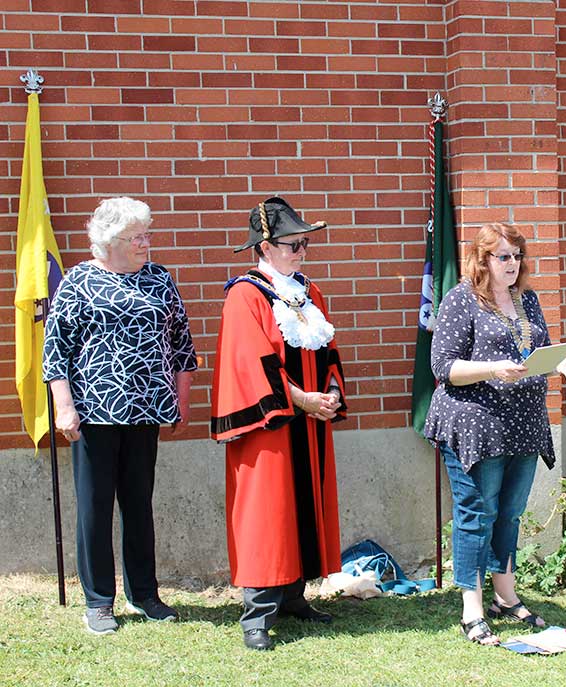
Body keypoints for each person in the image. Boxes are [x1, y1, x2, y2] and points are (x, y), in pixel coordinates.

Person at [423, 222, 566, 646]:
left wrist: (561, 365)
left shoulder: (527, 299)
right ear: (483, 259)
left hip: (524, 425)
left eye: (517, 256)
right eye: (504, 256)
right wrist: (492, 368)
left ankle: (505, 595)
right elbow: (444, 367)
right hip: (475, 425)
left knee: (510, 513)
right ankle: (471, 609)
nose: (513, 264)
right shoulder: (461, 300)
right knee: (477, 515)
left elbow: (537, 354)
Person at [42, 197, 197, 635]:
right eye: (137, 237)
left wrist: (180, 400)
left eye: (147, 234)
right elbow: (56, 351)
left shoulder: (160, 279)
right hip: (95, 413)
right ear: (109, 242)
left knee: (138, 505)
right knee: (94, 507)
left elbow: (182, 343)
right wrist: (64, 408)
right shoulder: (78, 281)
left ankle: (145, 594)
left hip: (146, 412)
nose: (146, 242)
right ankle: (98, 601)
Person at [210, 197, 346, 651]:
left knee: (302, 510)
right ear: (265, 247)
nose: (302, 252)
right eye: (293, 244)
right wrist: (303, 400)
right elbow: (252, 363)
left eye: (305, 244)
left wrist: (330, 394)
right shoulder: (245, 295)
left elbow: (327, 352)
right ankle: (257, 613)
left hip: (308, 424)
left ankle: (293, 598)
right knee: (266, 516)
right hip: (270, 426)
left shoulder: (309, 292)